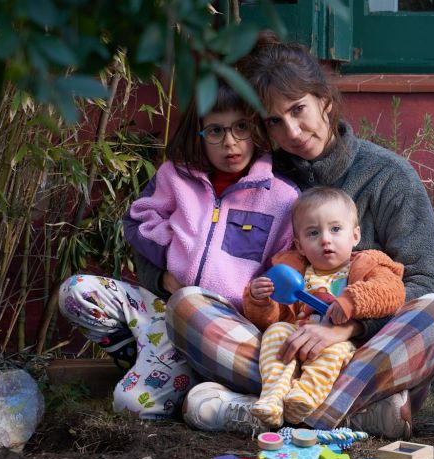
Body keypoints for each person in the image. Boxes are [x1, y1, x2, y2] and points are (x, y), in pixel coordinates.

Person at [167, 31, 434, 439]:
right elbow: (179, 219)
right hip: (280, 349)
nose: (291, 130)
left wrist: (346, 328)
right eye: (274, 121)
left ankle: (265, 410)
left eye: (298, 109)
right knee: (186, 304)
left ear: (324, 100)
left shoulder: (387, 176)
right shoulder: (262, 179)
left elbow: (427, 282)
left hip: (367, 357)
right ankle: (351, 416)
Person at [58, 82, 299, 419]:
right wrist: (169, 261)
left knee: (130, 406)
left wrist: (260, 302)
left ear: (257, 129)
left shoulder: (282, 197)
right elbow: (139, 220)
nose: (230, 142)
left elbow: (289, 264)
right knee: (76, 291)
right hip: (163, 309)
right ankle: (147, 357)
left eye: (240, 127)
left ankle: (198, 378)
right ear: (199, 134)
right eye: (215, 131)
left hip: (224, 327)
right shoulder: (177, 175)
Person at [245, 187, 406, 428]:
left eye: (336, 229)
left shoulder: (367, 265)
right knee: (276, 332)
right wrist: (261, 300)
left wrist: (352, 300)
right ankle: (273, 397)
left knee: (335, 351)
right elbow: (270, 318)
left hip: (339, 343)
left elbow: (391, 291)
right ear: (299, 246)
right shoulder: (293, 271)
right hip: (297, 338)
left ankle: (304, 396)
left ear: (355, 235)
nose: (325, 239)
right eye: (313, 233)